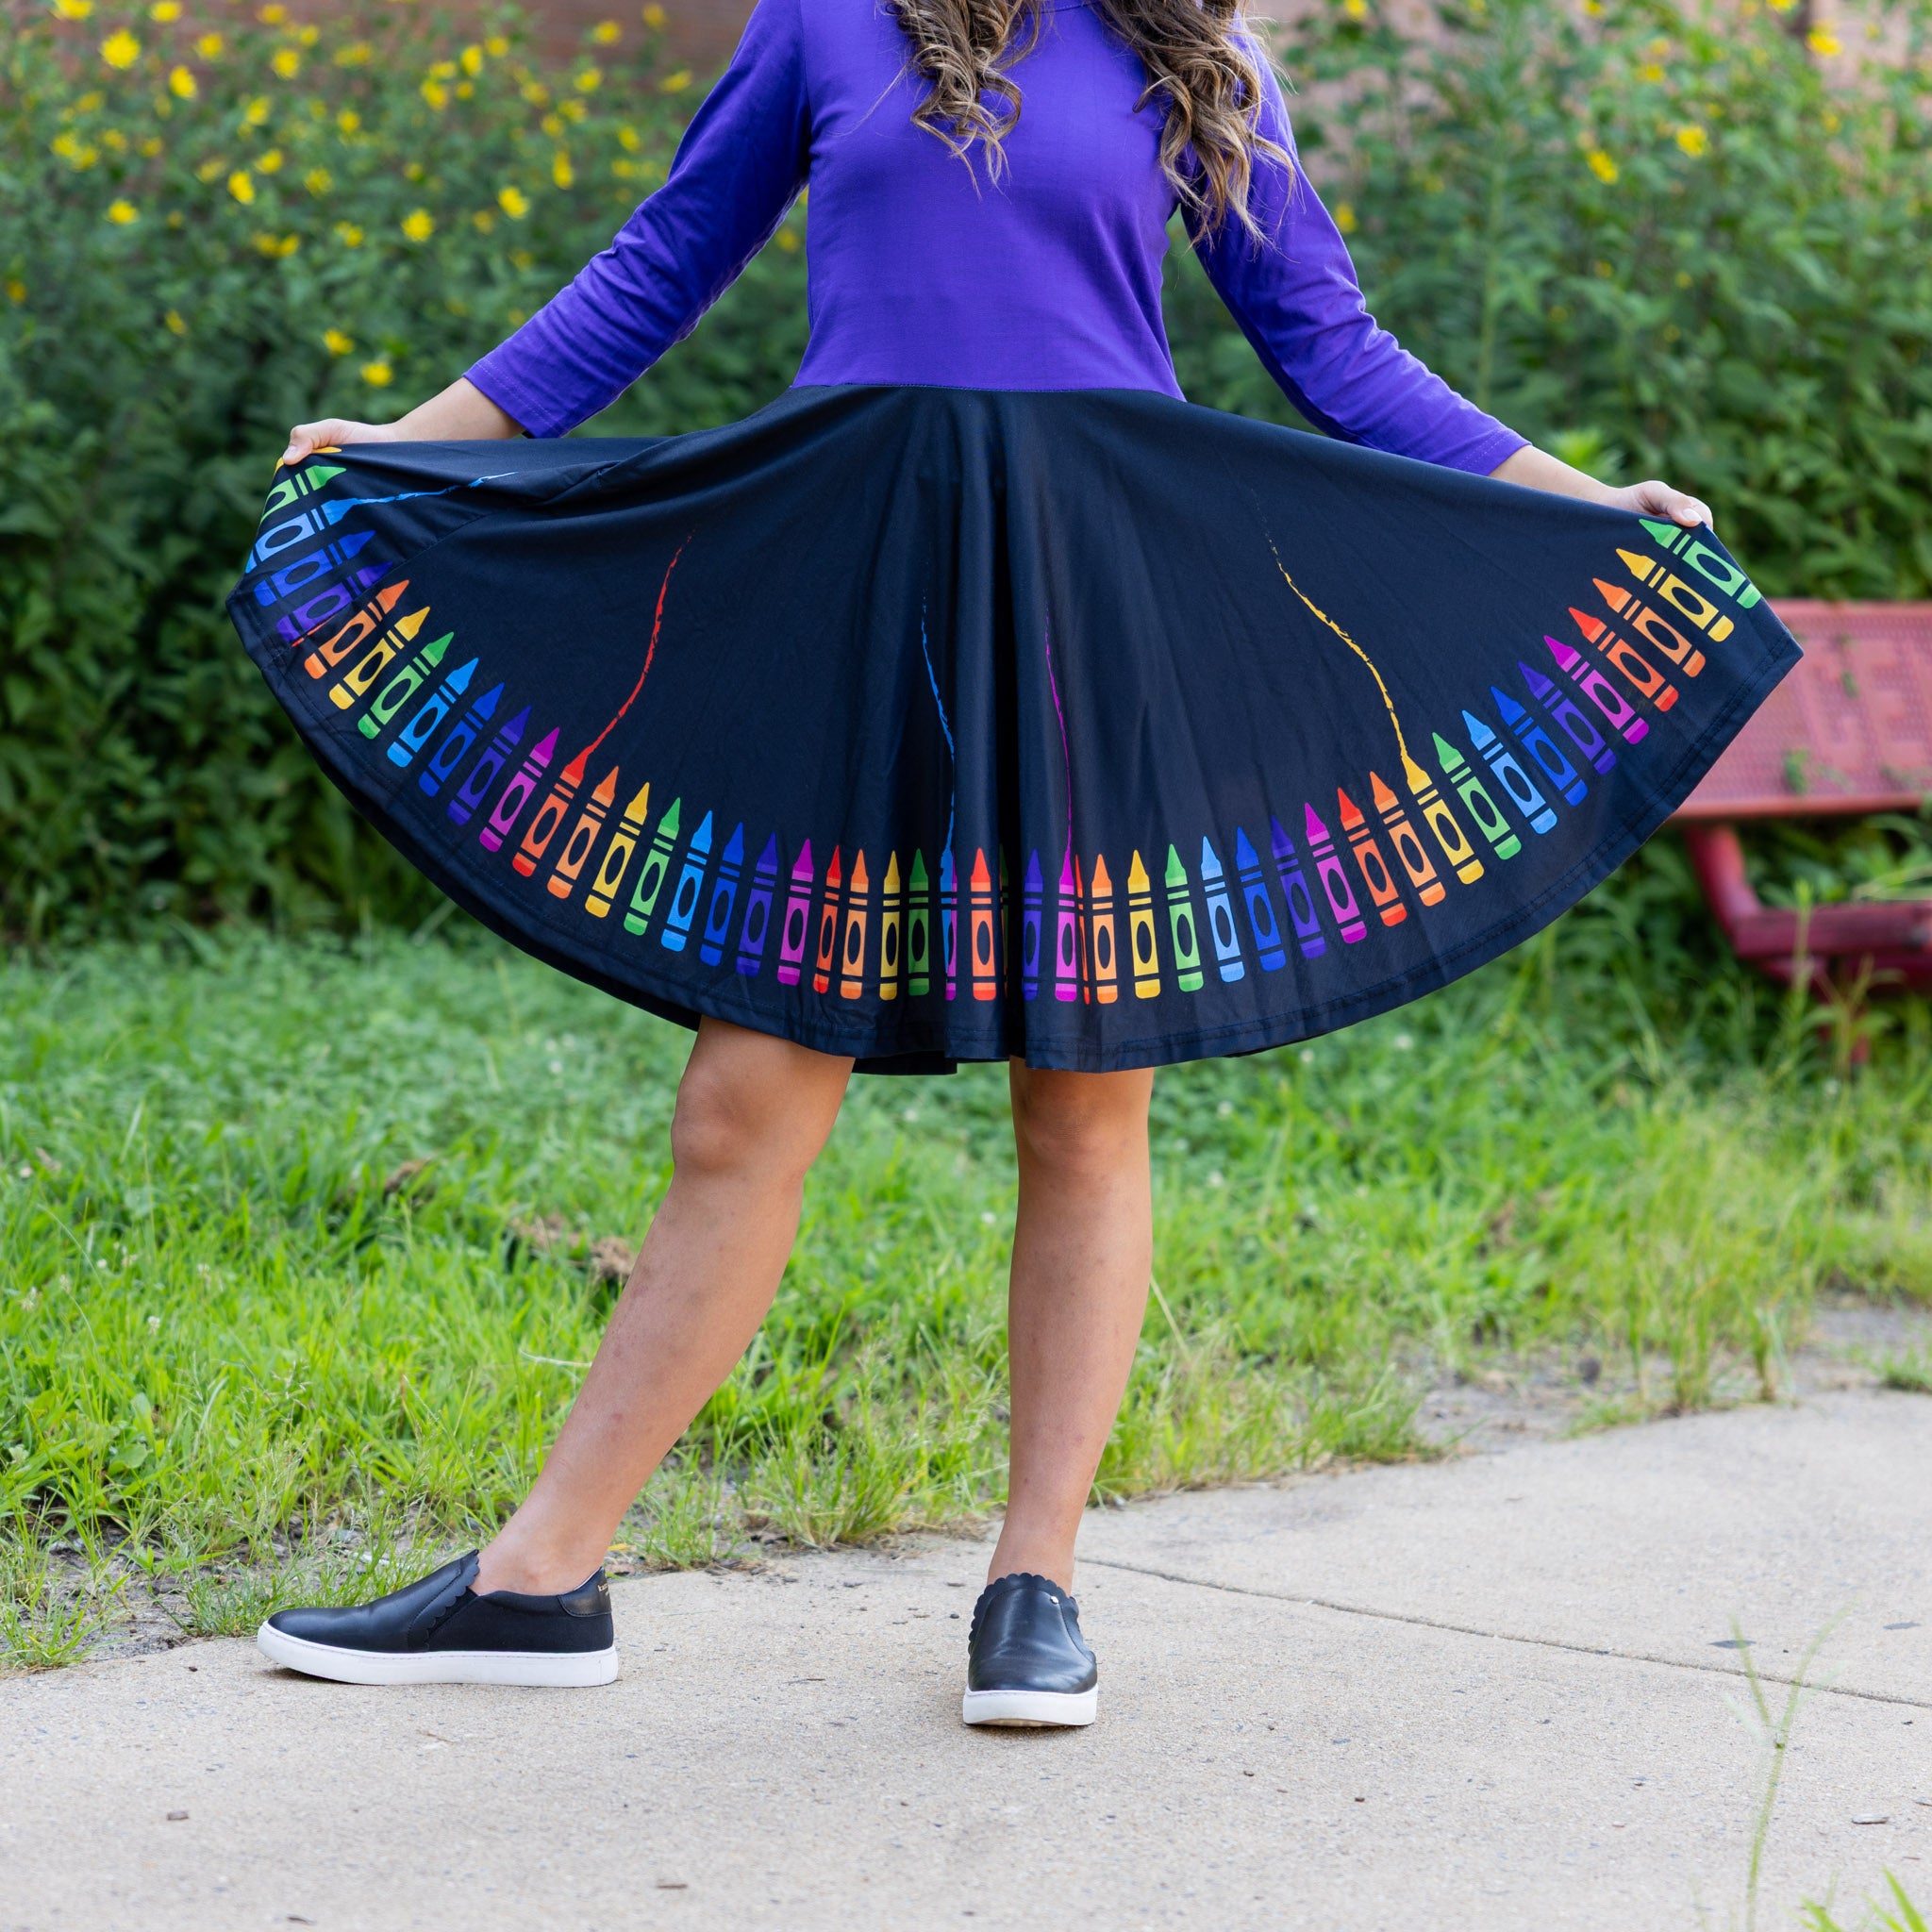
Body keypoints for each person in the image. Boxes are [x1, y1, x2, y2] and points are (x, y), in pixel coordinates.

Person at [239, 0, 1795, 1723]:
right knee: (744, 1101)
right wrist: (421, 436)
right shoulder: (826, 16)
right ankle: (540, 1582)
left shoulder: (1195, 49)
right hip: (857, 576)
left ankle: (1034, 1583)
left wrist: (1580, 500)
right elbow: (662, 263)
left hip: (1091, 596)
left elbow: (1331, 343)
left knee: (1084, 1098)